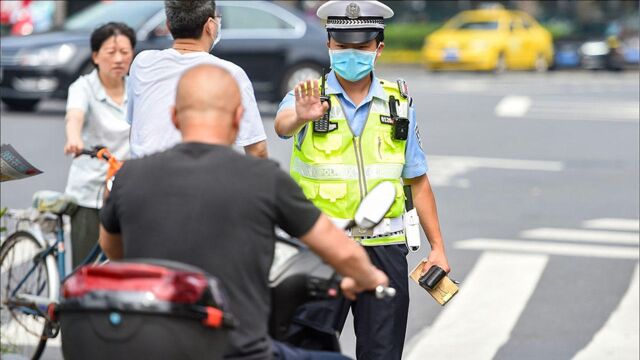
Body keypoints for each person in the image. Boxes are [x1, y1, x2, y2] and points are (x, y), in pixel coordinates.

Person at [99, 64, 389, 360]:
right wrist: (369, 278)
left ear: (174, 117)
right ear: (238, 118)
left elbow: (113, 249)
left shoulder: (129, 176)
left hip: (148, 348)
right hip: (238, 352)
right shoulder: (264, 178)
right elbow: (340, 250)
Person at [273, 1, 452, 359]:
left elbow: (417, 180)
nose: (350, 54)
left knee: (382, 354)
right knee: (303, 351)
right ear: (328, 45)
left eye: (360, 47)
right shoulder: (306, 97)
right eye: (342, 46)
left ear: (378, 48)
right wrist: (300, 117)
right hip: (320, 249)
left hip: (384, 249)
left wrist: (438, 248)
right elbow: (282, 126)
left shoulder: (398, 104)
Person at [126, 0, 268, 159]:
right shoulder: (230, 74)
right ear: (211, 25)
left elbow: (135, 129)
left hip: (142, 175)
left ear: (168, 24)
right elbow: (257, 150)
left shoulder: (142, 63)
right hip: (201, 177)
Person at [63, 22, 135, 268]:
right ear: (95, 56)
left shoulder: (138, 89)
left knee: (126, 264)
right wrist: (74, 138)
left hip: (126, 189)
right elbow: (75, 115)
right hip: (89, 192)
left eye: (125, 52)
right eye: (110, 52)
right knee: (86, 267)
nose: (118, 59)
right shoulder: (83, 87)